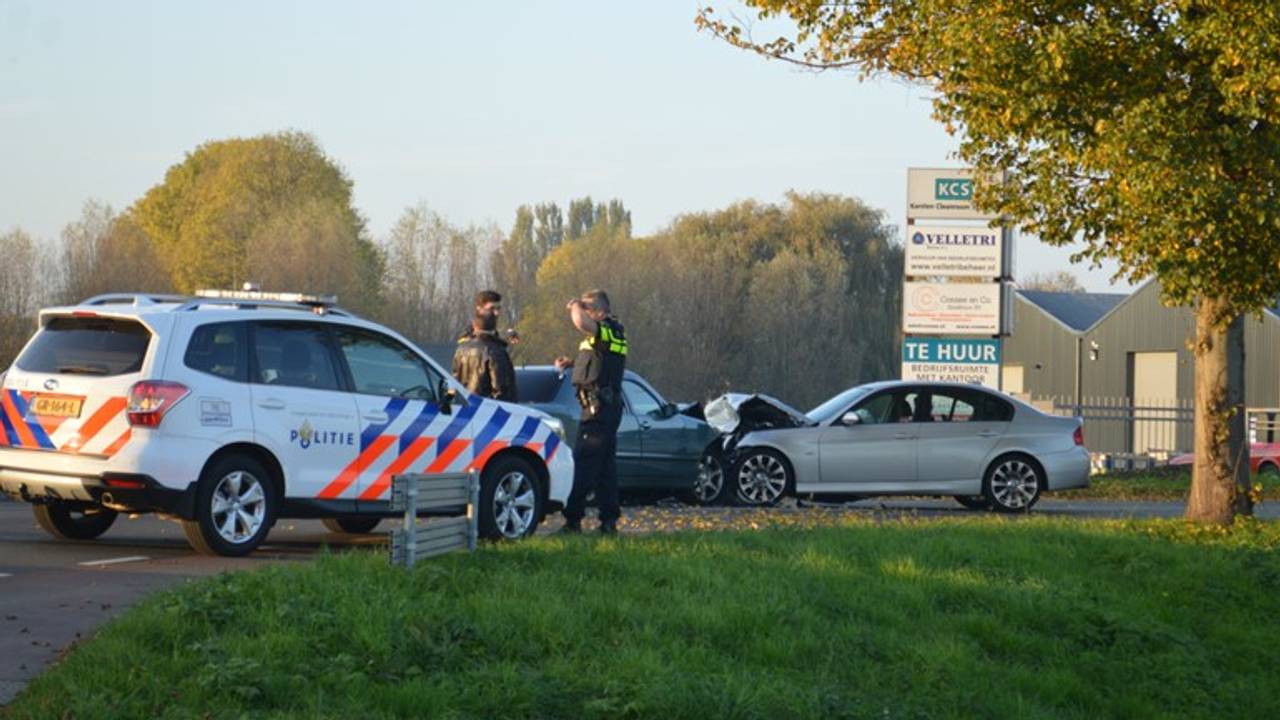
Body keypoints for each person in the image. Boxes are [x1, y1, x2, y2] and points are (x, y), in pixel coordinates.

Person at [554, 289, 627, 536]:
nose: (584, 313)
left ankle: (572, 521)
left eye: (588, 309)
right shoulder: (608, 335)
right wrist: (572, 364)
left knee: (584, 463)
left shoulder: (608, 328)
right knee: (605, 467)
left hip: (599, 409)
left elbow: (581, 323)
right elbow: (601, 363)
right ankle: (609, 521)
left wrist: (575, 305)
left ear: (600, 311)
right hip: (603, 408)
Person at [451, 290, 517, 401]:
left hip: (465, 410)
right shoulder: (493, 350)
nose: (497, 313)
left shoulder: (462, 347)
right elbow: (501, 390)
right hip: (486, 410)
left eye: (498, 309)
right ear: (479, 309)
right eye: (492, 309)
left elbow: (454, 381)